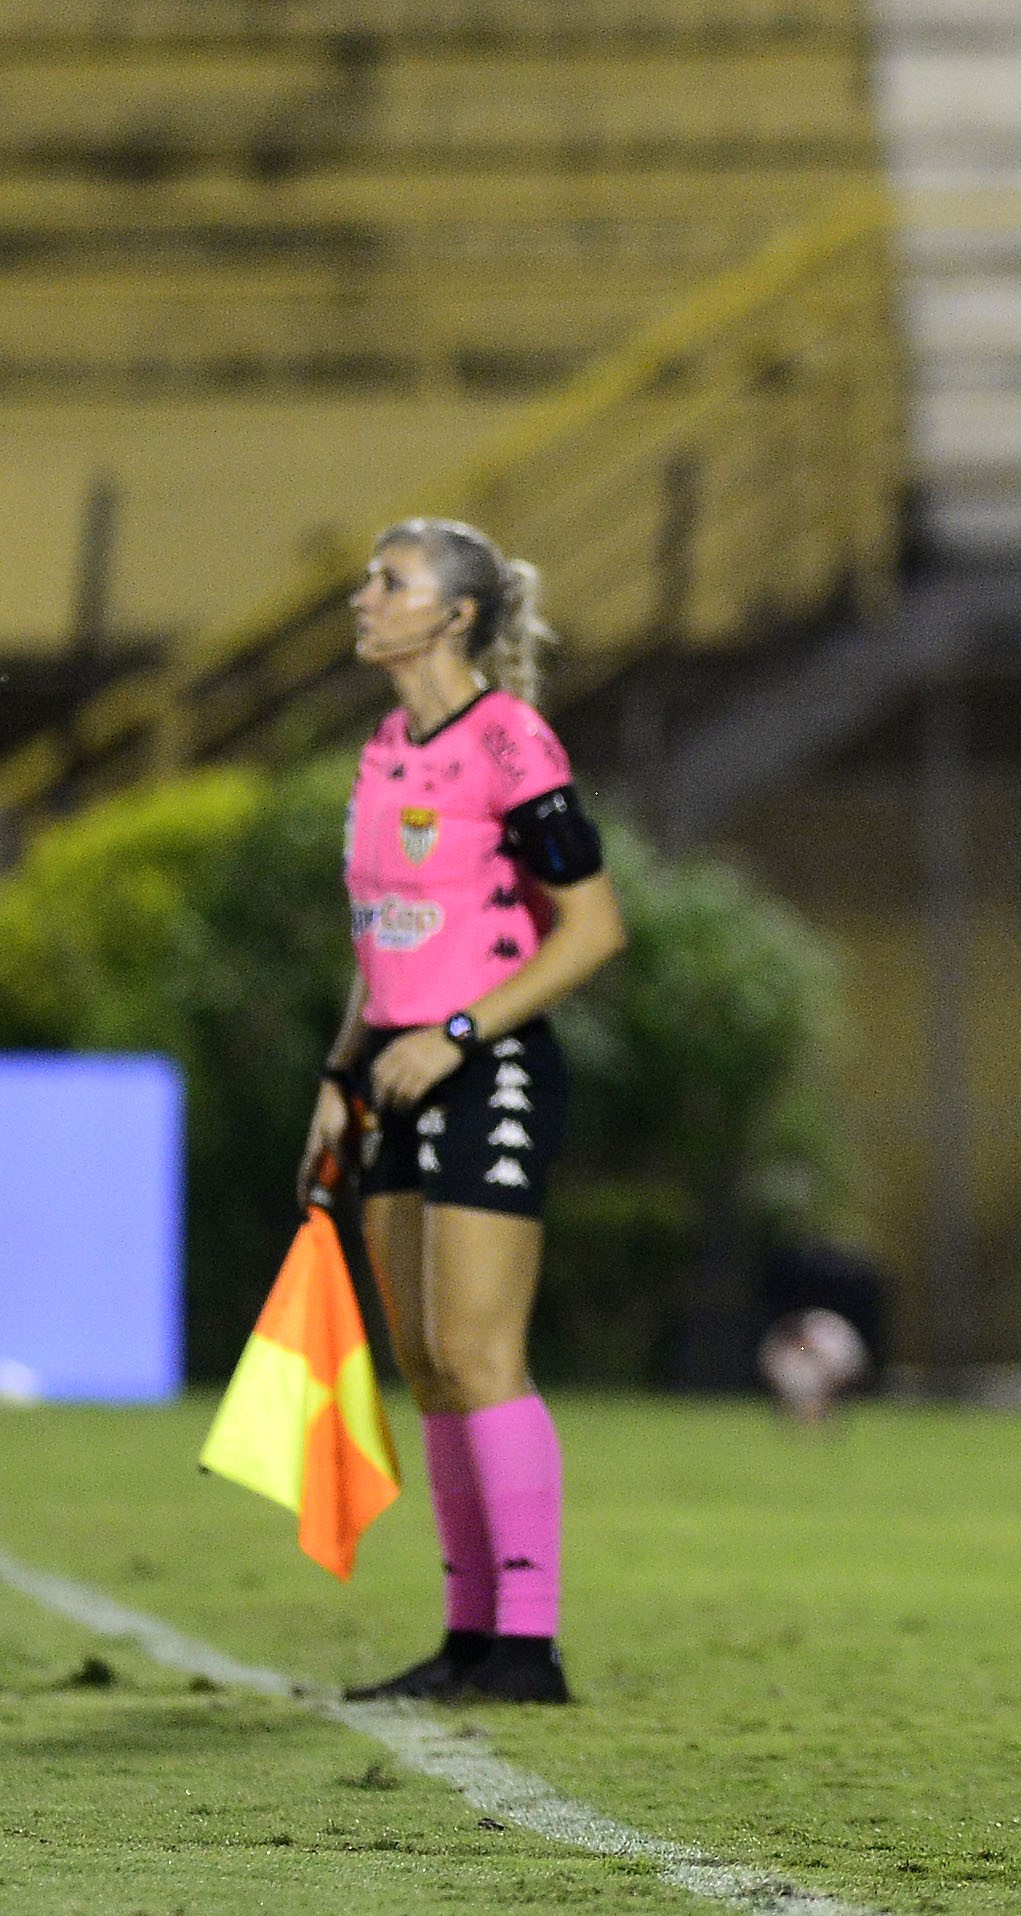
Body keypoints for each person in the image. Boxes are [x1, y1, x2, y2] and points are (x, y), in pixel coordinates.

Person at [302, 518, 626, 1706]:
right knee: (430, 1362)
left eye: (389, 582)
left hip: (482, 1069)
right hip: (391, 1075)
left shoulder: (511, 741)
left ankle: (528, 1650)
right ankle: (468, 1637)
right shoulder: (387, 748)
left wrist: (452, 1041)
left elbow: (592, 928)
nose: (364, 597)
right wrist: (341, 1083)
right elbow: (381, 944)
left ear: (454, 617)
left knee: (483, 1354)